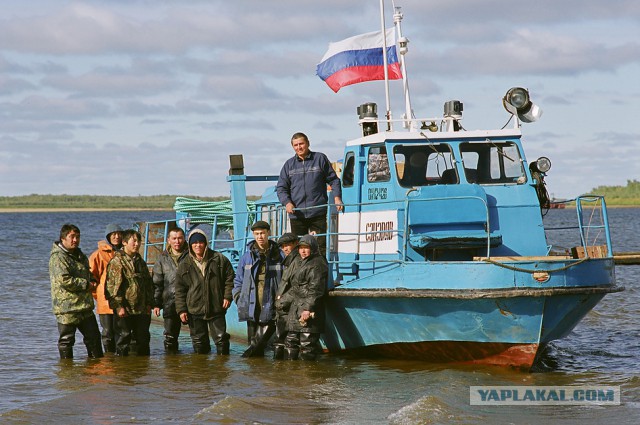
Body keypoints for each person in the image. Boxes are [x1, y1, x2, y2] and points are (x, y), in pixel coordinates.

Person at [276, 132, 343, 255]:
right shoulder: (288, 165)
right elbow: (281, 187)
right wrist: (287, 203)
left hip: (317, 213)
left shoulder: (320, 159)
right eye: (295, 145)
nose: (299, 147)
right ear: (293, 147)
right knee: (297, 250)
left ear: (308, 143)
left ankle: (320, 273)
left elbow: (334, 180)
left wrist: (337, 198)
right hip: (297, 215)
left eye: (301, 144)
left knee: (319, 248)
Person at [174, 229, 235, 355]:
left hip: (216, 307)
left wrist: (227, 296)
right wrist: (182, 310)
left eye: (201, 242)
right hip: (194, 309)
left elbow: (230, 278)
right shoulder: (184, 264)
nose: (198, 245)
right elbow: (180, 290)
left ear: (206, 243)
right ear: (190, 245)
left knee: (221, 339)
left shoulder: (219, 259)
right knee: (199, 342)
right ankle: (201, 371)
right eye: (194, 242)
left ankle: (222, 369)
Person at [49, 223, 103, 359]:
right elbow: (65, 280)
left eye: (78, 237)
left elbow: (87, 273)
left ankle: (96, 371)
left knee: (94, 339)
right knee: (66, 341)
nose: (75, 240)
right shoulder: (58, 257)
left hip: (84, 306)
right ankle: (67, 373)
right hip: (67, 308)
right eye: (72, 237)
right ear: (63, 238)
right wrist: (87, 284)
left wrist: (93, 280)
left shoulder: (80, 255)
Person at [232, 221, 284, 357]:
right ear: (253, 235)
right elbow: (238, 280)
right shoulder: (246, 257)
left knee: (257, 346)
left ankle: (256, 371)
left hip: (271, 305)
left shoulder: (279, 256)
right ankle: (254, 375)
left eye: (262, 233)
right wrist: (238, 297)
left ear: (268, 233)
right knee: (253, 345)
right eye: (256, 234)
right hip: (251, 307)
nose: (260, 236)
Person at [105, 229, 154, 356]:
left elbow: (148, 284)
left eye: (139, 241)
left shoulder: (140, 261)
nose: (137, 244)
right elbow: (112, 288)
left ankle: (142, 370)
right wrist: (119, 306)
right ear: (125, 242)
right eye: (134, 241)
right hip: (125, 308)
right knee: (123, 338)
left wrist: (149, 303)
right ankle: (122, 370)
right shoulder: (117, 261)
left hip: (141, 308)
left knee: (143, 339)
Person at [284, 234, 327, 360]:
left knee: (307, 344)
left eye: (306, 248)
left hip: (308, 310)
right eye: (300, 248)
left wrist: (308, 308)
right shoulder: (303, 262)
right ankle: (291, 374)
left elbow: (316, 289)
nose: (303, 251)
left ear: (313, 248)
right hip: (296, 307)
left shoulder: (317, 264)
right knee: (291, 342)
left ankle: (307, 375)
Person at [152, 227, 189, 352]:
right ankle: (171, 367)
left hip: (190, 301)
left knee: (198, 337)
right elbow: (157, 283)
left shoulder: (192, 255)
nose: (177, 241)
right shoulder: (162, 258)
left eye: (180, 238)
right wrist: (156, 304)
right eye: (174, 238)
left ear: (184, 239)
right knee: (170, 338)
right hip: (169, 302)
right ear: (168, 240)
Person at [88, 223, 122, 353]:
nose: (116, 237)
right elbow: (92, 278)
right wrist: (99, 296)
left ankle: (121, 359)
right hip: (104, 301)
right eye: (113, 234)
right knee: (107, 332)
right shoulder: (98, 255)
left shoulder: (125, 253)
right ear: (108, 236)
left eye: (119, 234)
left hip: (122, 301)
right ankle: (109, 357)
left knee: (122, 331)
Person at [273, 232, 300, 360]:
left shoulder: (297, 261)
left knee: (289, 342)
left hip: (289, 308)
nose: (285, 248)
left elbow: (297, 287)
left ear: (296, 244)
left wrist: (281, 301)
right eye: (283, 246)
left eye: (288, 245)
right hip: (285, 308)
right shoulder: (289, 261)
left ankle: (284, 371)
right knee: (281, 341)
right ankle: (283, 371)